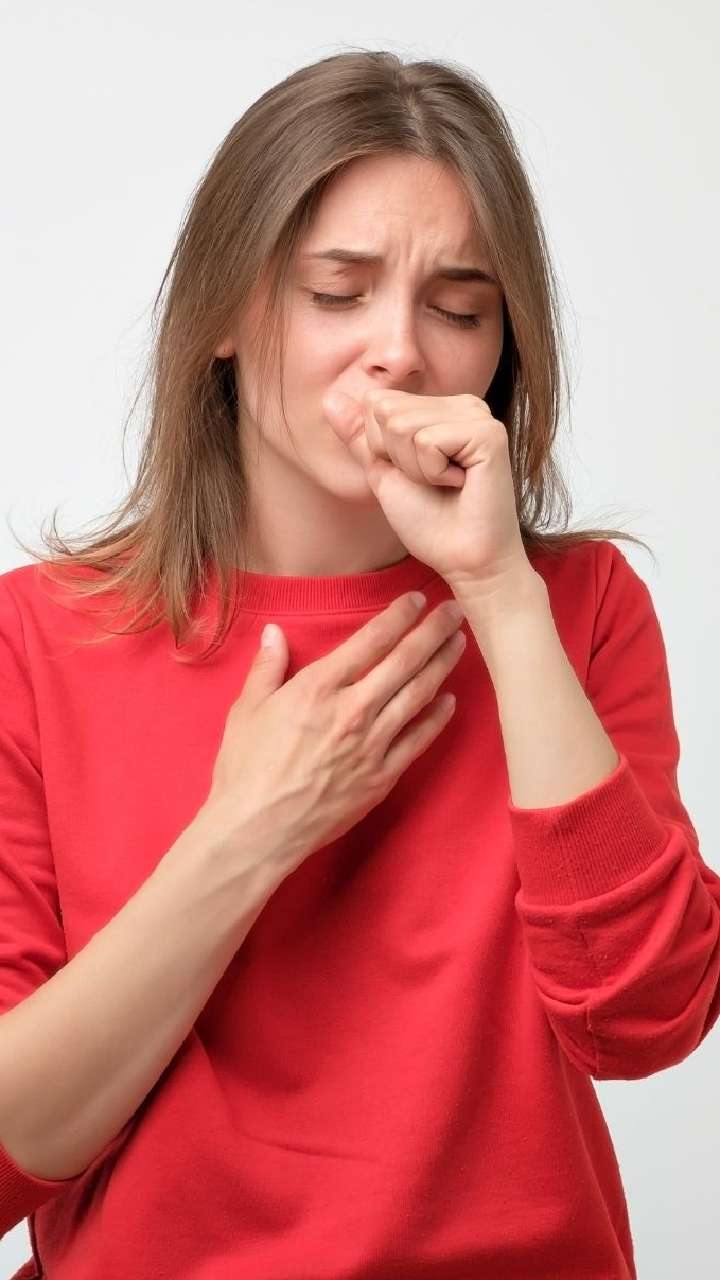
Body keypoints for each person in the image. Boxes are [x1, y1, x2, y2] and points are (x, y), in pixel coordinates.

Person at [0, 48, 717, 1280]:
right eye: (338, 292)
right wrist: (247, 833)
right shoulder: (38, 636)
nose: (400, 352)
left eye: (459, 309)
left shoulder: (578, 608)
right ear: (225, 317)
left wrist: (502, 597)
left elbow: (642, 1018)